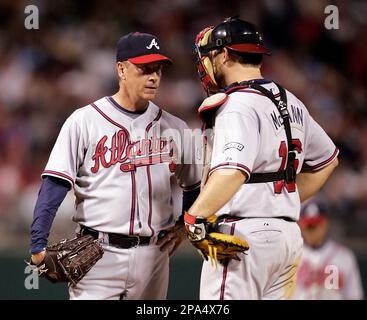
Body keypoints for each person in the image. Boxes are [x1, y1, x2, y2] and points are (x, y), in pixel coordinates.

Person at [29, 32, 201, 300]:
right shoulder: (84, 120)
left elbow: (195, 184)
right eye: (144, 69)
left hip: (154, 256)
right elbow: (55, 183)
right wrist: (37, 243)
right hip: (97, 254)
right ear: (121, 69)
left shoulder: (177, 128)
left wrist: (183, 224)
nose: (153, 76)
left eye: (157, 69)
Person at [183, 16, 339, 300]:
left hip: (244, 236)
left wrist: (194, 216)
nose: (206, 63)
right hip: (288, 237)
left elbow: (232, 172)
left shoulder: (236, 104)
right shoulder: (291, 100)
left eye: (210, 56)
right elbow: (328, 162)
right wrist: (276, 200)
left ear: (225, 54)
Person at [293, 199, 364, 300]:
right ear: (301, 226)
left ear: (326, 224)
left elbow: (354, 295)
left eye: (316, 226)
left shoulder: (344, 256)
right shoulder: (291, 256)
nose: (312, 230)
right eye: (309, 226)